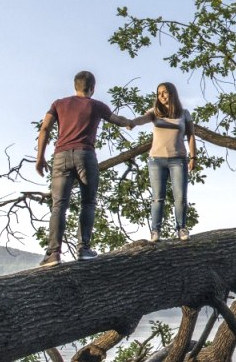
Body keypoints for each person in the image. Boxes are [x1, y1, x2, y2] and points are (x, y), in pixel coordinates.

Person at [34, 70, 140, 266]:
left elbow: (45, 128)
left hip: (61, 156)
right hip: (86, 155)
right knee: (88, 203)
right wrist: (130, 123)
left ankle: (53, 253)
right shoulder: (97, 106)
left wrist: (40, 157)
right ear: (93, 88)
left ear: (75, 86)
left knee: (59, 206)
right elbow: (117, 120)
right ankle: (83, 249)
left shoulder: (58, 104)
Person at [131, 82, 198, 240]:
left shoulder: (184, 113)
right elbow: (143, 119)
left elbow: (191, 136)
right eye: (159, 93)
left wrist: (193, 157)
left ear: (172, 94)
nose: (161, 96)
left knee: (180, 197)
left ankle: (181, 228)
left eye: (165, 92)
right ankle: (155, 231)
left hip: (178, 159)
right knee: (157, 197)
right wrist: (132, 122)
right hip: (156, 161)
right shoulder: (155, 112)